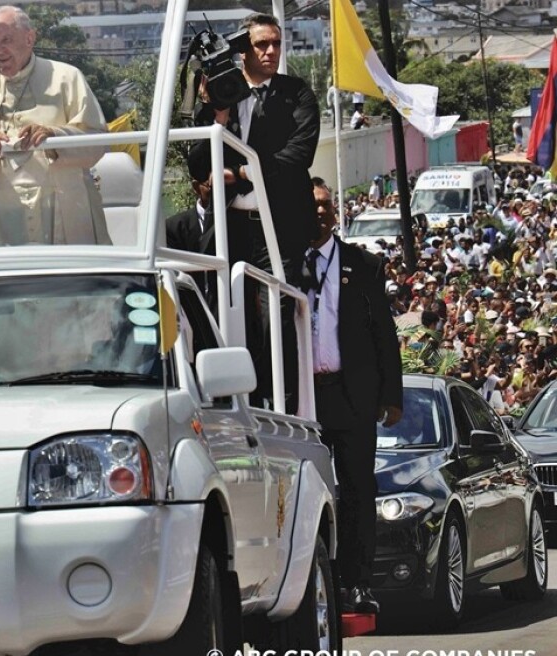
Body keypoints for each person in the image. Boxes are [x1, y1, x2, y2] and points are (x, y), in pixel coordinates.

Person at [195, 12, 319, 410]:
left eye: (276, 43)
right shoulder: (221, 92)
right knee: (223, 310)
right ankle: (229, 399)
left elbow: (299, 155)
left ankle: (281, 405)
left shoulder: (297, 93)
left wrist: (243, 171)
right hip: (230, 223)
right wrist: (216, 113)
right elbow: (197, 160)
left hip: (278, 225)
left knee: (275, 316)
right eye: (261, 44)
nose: (270, 51)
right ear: (242, 51)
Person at [304, 177, 402, 614]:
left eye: (326, 204)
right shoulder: (283, 262)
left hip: (352, 395)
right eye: (312, 205)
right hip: (303, 401)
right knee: (308, 493)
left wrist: (391, 396)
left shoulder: (363, 265)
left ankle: (357, 582)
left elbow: (384, 333)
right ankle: (314, 579)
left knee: (358, 488)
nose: (320, 212)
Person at [0, 5, 111, 247]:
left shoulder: (67, 78)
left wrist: (54, 136)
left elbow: (97, 142)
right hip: (1, 215)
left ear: (29, 38)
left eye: (7, 40)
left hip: (64, 208)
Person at [165, 147, 217, 310]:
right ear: (196, 187)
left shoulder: (237, 223)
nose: (219, 194)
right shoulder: (174, 228)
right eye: (212, 187)